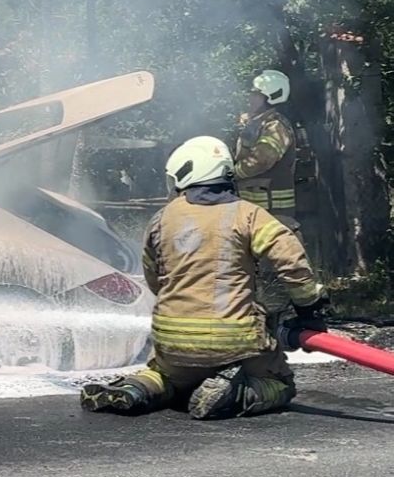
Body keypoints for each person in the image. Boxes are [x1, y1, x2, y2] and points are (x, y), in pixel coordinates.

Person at [79, 136, 328, 420]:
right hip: (235, 342)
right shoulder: (249, 215)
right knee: (279, 384)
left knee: (166, 377)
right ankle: (236, 393)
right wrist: (309, 308)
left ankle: (136, 389)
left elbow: (154, 278)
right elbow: (292, 261)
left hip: (172, 343)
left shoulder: (162, 218)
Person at [235, 70, 299, 230]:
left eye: (256, 94)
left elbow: (261, 160)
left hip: (274, 214)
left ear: (271, 97)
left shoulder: (276, 126)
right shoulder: (260, 123)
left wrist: (232, 173)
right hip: (258, 212)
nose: (251, 98)